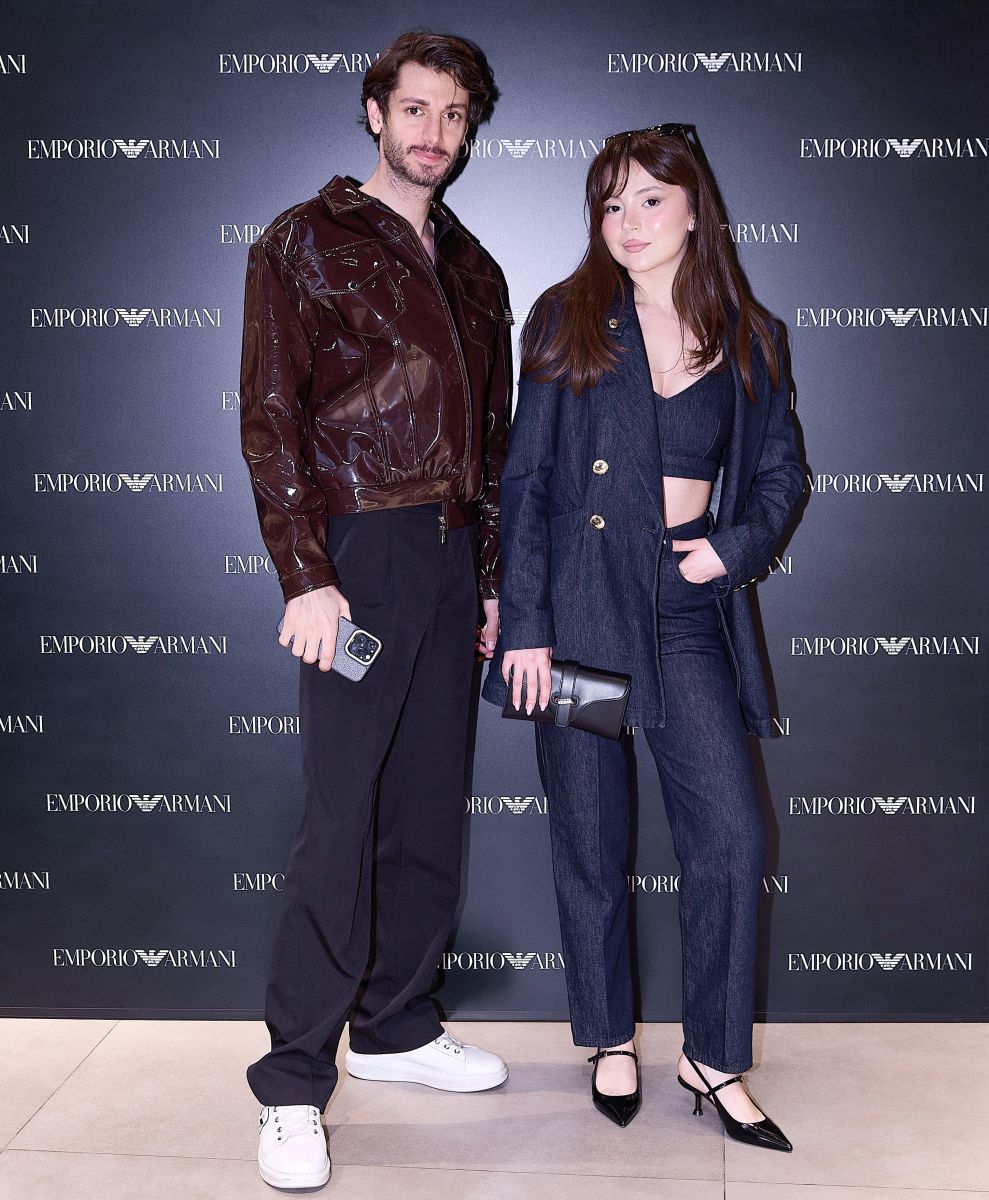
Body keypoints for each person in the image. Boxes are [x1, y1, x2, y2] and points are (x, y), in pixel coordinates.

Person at [483, 125, 804, 1150]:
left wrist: (728, 550)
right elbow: (527, 481)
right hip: (577, 608)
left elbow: (780, 474)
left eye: (648, 200)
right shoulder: (566, 314)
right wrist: (524, 625)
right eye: (610, 203)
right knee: (588, 832)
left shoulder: (750, 333)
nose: (625, 221)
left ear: (695, 209)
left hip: (682, 607)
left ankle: (711, 1055)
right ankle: (606, 1036)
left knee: (731, 835)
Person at [239, 31, 513, 1192]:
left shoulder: (476, 269)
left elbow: (493, 441)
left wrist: (491, 581)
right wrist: (305, 573)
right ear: (373, 113)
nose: (433, 132)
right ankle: (293, 1084)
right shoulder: (301, 242)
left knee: (427, 806)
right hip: (359, 553)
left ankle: (396, 1025)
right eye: (415, 108)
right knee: (341, 813)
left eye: (453, 114)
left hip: (450, 563)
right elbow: (270, 417)